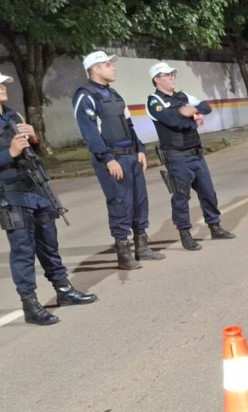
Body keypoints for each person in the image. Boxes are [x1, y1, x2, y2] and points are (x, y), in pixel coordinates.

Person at [0, 65, 97, 325]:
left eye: (3, 83)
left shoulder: (12, 115)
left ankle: (63, 290)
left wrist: (34, 140)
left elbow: (29, 154)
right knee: (23, 251)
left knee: (49, 244)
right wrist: (9, 152)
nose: (3, 87)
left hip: (36, 189)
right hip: (10, 196)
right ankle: (30, 304)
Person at [73, 51, 164, 270]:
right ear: (95, 68)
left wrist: (140, 149)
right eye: (107, 64)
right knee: (120, 204)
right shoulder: (85, 95)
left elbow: (129, 125)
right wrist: (107, 159)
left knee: (139, 201)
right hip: (112, 158)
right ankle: (123, 253)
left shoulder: (114, 94)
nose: (113, 68)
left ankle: (142, 247)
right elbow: (90, 132)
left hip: (131, 156)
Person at [145, 61, 235, 251]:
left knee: (208, 193)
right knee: (181, 197)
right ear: (157, 79)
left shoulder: (183, 96)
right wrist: (189, 117)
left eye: (172, 74)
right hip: (176, 157)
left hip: (196, 153)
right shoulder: (154, 101)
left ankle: (215, 226)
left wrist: (192, 111)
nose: (172, 78)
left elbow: (206, 106)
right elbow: (171, 120)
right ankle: (185, 233)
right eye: (167, 75)